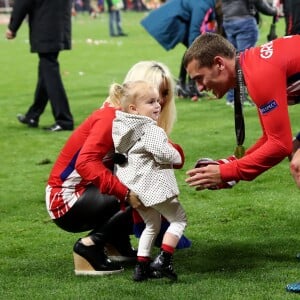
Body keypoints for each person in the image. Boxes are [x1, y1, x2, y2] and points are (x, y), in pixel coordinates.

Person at [45, 60, 186, 276]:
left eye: (165, 94)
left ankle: (116, 243)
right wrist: (126, 193)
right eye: (157, 95)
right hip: (65, 198)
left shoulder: (128, 118)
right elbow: (85, 163)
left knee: (139, 182)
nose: (163, 101)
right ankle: (89, 246)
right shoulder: (111, 118)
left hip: (81, 192)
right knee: (139, 190)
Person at [183, 32, 299, 189]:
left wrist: (225, 172)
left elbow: (279, 145)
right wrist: (231, 164)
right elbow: (269, 138)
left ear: (219, 64)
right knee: (295, 150)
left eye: (199, 78)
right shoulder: (252, 66)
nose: (200, 87)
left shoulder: (259, 74)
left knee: (298, 165)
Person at [112, 81, 187, 281]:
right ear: (133, 109)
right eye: (151, 102)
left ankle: (142, 267)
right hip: (154, 188)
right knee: (179, 220)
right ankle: (164, 259)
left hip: (136, 191)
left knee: (151, 225)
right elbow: (163, 153)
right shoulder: (150, 130)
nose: (157, 105)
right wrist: (177, 156)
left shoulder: (121, 129)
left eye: (157, 101)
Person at [6, 0, 74, 132]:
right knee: (46, 72)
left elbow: (23, 3)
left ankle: (64, 120)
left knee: (49, 71)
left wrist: (13, 27)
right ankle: (33, 115)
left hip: (44, 26)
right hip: (60, 25)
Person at [140, 0, 220, 101]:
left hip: (176, 20)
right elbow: (194, 29)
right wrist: (195, 47)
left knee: (192, 49)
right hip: (170, 21)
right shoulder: (202, 5)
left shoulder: (206, 3)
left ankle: (185, 85)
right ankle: (187, 85)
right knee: (193, 50)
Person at [221, 0, 278, 106]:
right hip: (244, 20)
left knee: (232, 60)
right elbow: (258, 2)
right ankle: (241, 97)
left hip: (228, 20)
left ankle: (232, 98)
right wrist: (273, 11)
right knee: (244, 61)